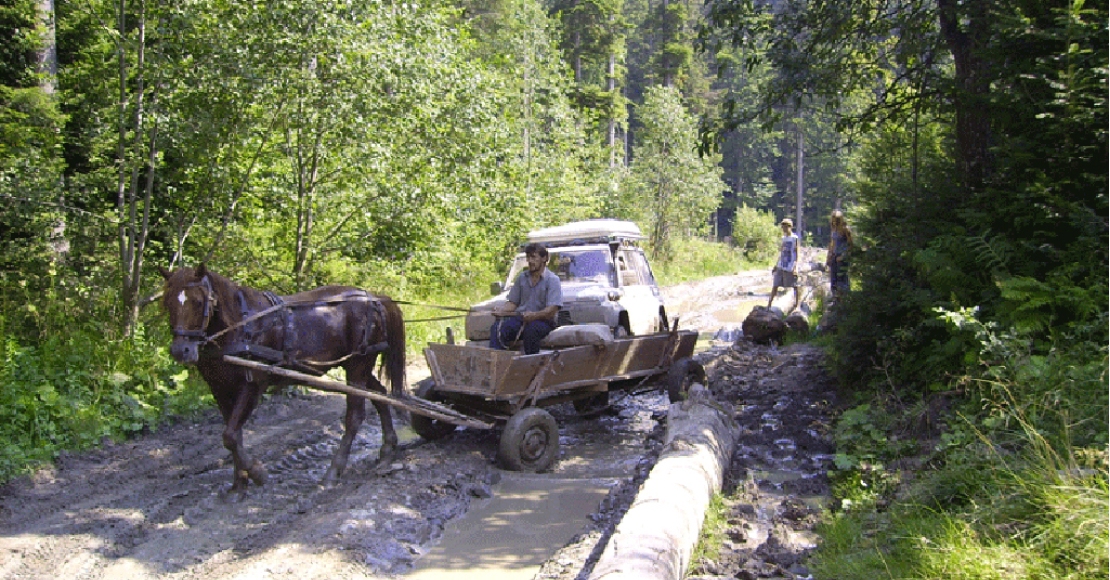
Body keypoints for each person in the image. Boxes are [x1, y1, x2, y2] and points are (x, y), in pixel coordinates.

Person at [489, 243, 563, 355]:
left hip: (544, 321)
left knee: (531, 331)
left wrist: (534, 315)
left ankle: (530, 364)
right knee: (499, 327)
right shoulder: (522, 278)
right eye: (528, 257)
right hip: (522, 319)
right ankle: (496, 362)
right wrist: (501, 310)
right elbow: (513, 303)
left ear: (544, 259)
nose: (530, 261)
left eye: (533, 257)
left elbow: (551, 310)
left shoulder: (552, 280)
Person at [767, 218, 800, 314]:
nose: (784, 229)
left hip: (790, 265)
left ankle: (797, 305)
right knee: (775, 284)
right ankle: (769, 304)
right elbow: (781, 252)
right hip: (781, 264)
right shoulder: (783, 238)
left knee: (794, 285)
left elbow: (797, 253)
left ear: (790, 227)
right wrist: (776, 265)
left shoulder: (795, 238)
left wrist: (796, 266)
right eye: (783, 227)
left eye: (786, 227)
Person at [826, 210, 853, 301]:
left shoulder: (845, 229)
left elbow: (850, 245)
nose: (834, 221)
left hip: (842, 258)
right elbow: (832, 243)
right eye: (833, 219)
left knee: (842, 279)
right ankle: (835, 300)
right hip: (834, 256)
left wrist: (843, 256)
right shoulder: (834, 229)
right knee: (833, 279)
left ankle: (844, 300)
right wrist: (829, 256)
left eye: (836, 219)